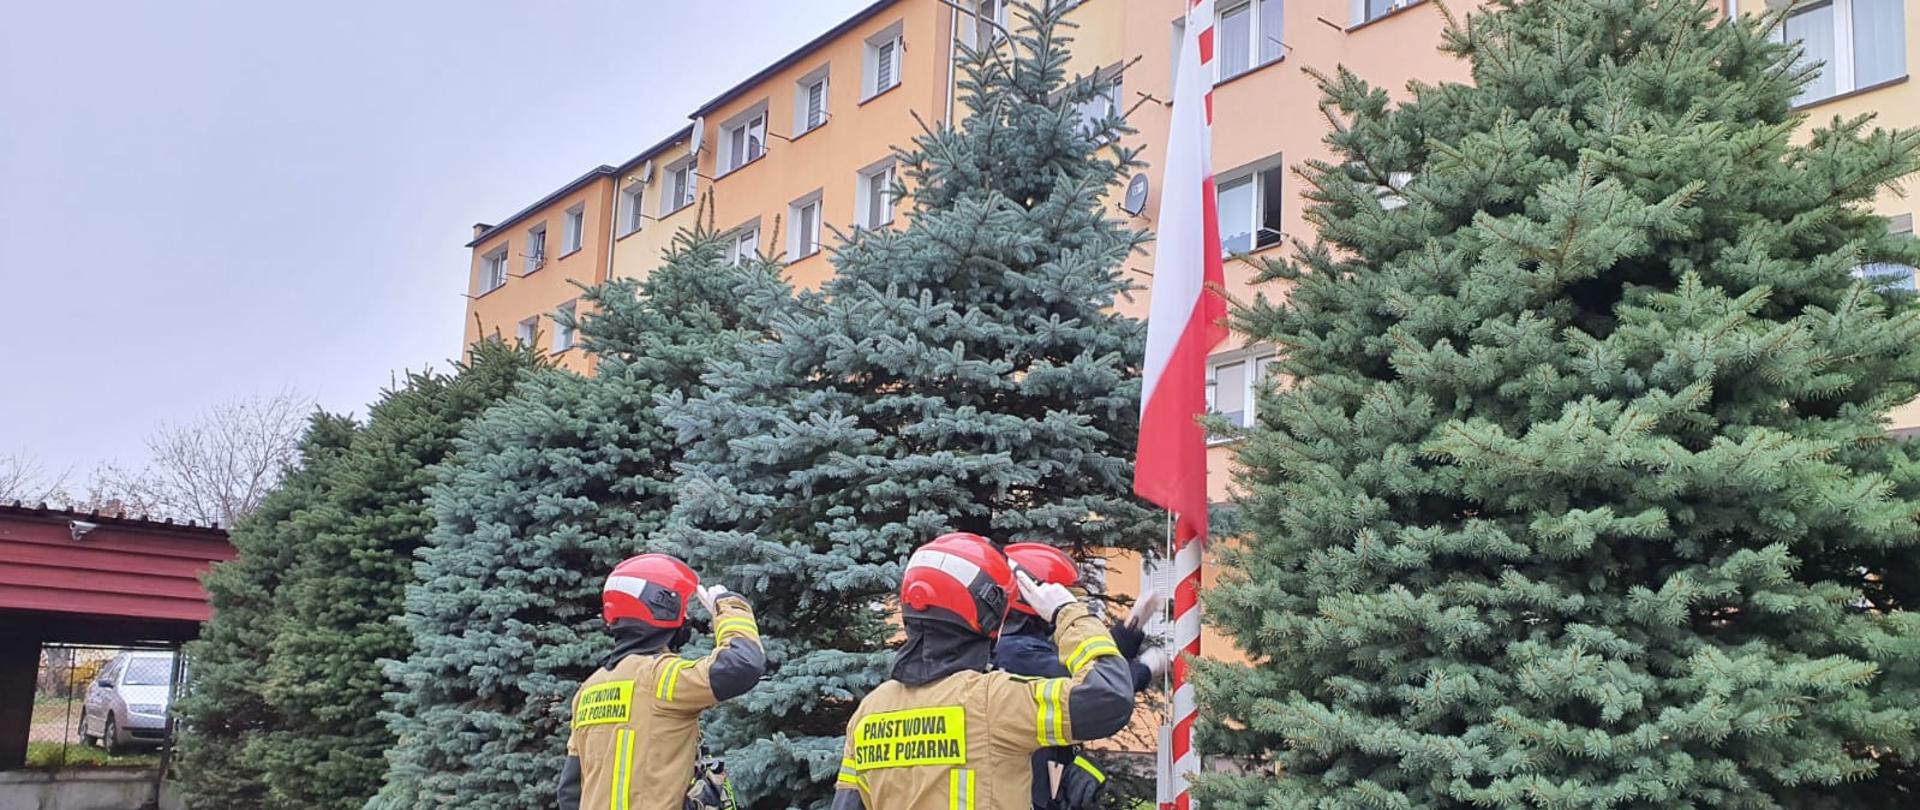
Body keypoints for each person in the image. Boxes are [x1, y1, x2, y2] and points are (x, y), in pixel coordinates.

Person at [833, 532, 1137, 810]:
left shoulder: (869, 712)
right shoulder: (994, 700)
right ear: (988, 613)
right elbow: (1108, 696)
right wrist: (1067, 613)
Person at [558, 553, 765, 810]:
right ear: (661, 606)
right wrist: (730, 609)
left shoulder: (588, 689)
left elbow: (570, 791)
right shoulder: (660, 677)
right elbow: (742, 664)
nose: (687, 617)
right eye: (684, 608)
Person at [994, 543, 1168, 810]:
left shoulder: (1019, 644)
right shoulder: (1018, 653)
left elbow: (1085, 664)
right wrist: (1145, 669)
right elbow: (1097, 690)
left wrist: (1131, 628)